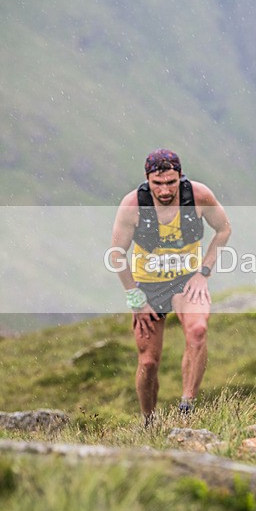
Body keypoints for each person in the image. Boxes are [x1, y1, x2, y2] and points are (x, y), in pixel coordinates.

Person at [110, 149, 231, 424]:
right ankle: (149, 420)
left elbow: (224, 229)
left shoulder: (198, 196)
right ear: (147, 180)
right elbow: (117, 253)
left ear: (180, 176)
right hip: (148, 286)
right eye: (157, 183)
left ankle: (186, 407)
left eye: (171, 182)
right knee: (148, 362)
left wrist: (203, 273)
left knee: (198, 331)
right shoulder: (133, 205)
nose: (165, 190)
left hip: (187, 281)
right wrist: (135, 298)